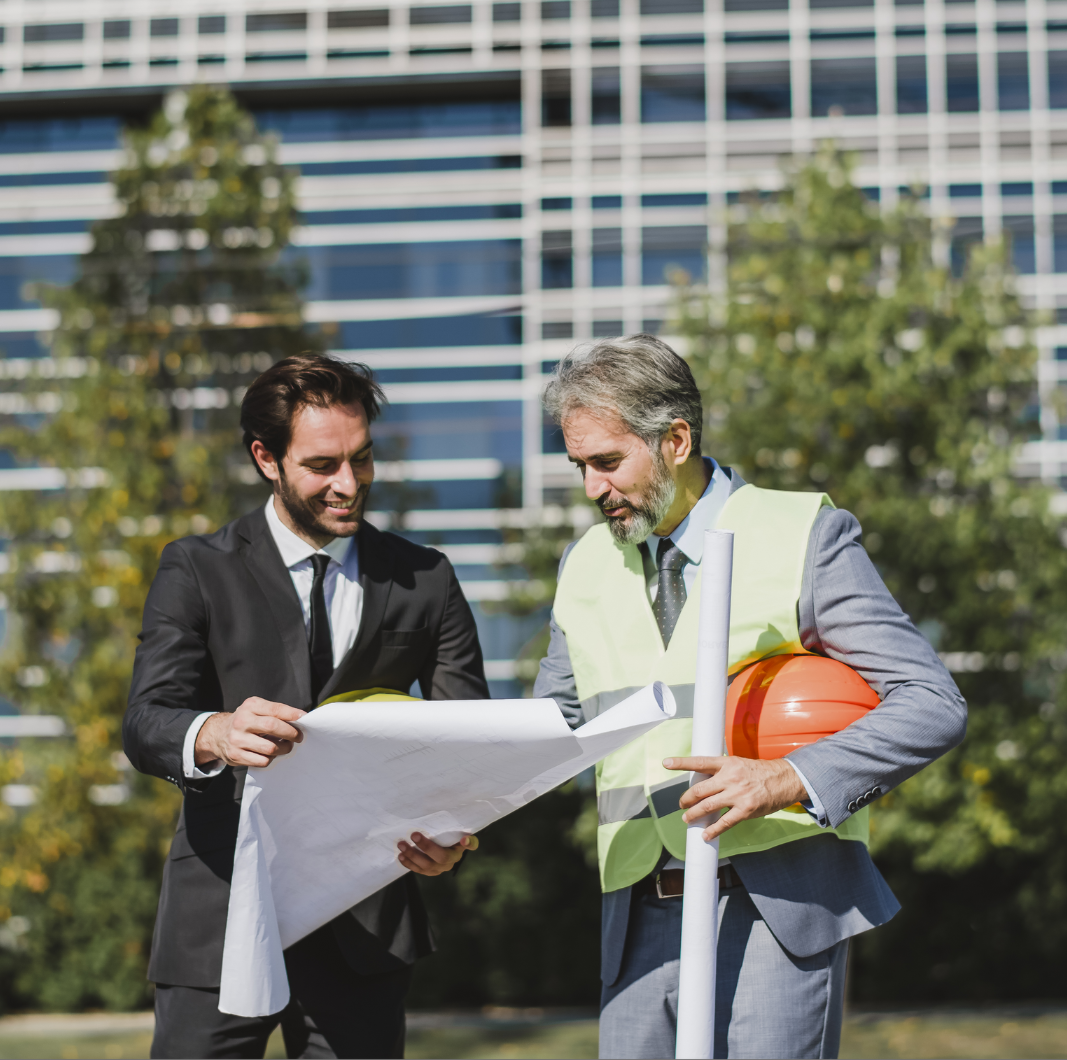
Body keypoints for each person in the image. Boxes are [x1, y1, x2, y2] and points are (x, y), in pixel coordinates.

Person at [535, 335, 967, 1060]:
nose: (591, 489)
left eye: (608, 463)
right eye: (580, 466)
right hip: (636, 915)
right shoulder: (584, 564)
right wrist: (452, 811)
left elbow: (931, 700)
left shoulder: (802, 534)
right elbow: (548, 735)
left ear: (675, 439)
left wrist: (789, 778)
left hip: (775, 904)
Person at [123, 354, 490, 1060]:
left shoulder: (427, 581)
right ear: (267, 458)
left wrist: (454, 833)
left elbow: (464, 743)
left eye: (361, 459)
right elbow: (146, 722)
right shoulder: (196, 568)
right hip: (221, 913)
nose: (348, 485)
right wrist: (218, 732)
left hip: (367, 923)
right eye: (323, 465)